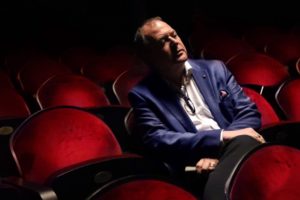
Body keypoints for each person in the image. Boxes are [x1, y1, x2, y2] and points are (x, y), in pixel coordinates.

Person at [127, 16, 265, 200]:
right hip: (196, 165)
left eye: (174, 35)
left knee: (249, 146)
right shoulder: (142, 94)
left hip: (234, 152)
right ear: (148, 55)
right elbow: (158, 139)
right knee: (249, 145)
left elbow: (248, 113)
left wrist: (223, 152)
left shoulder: (216, 69)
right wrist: (222, 137)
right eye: (163, 41)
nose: (175, 43)